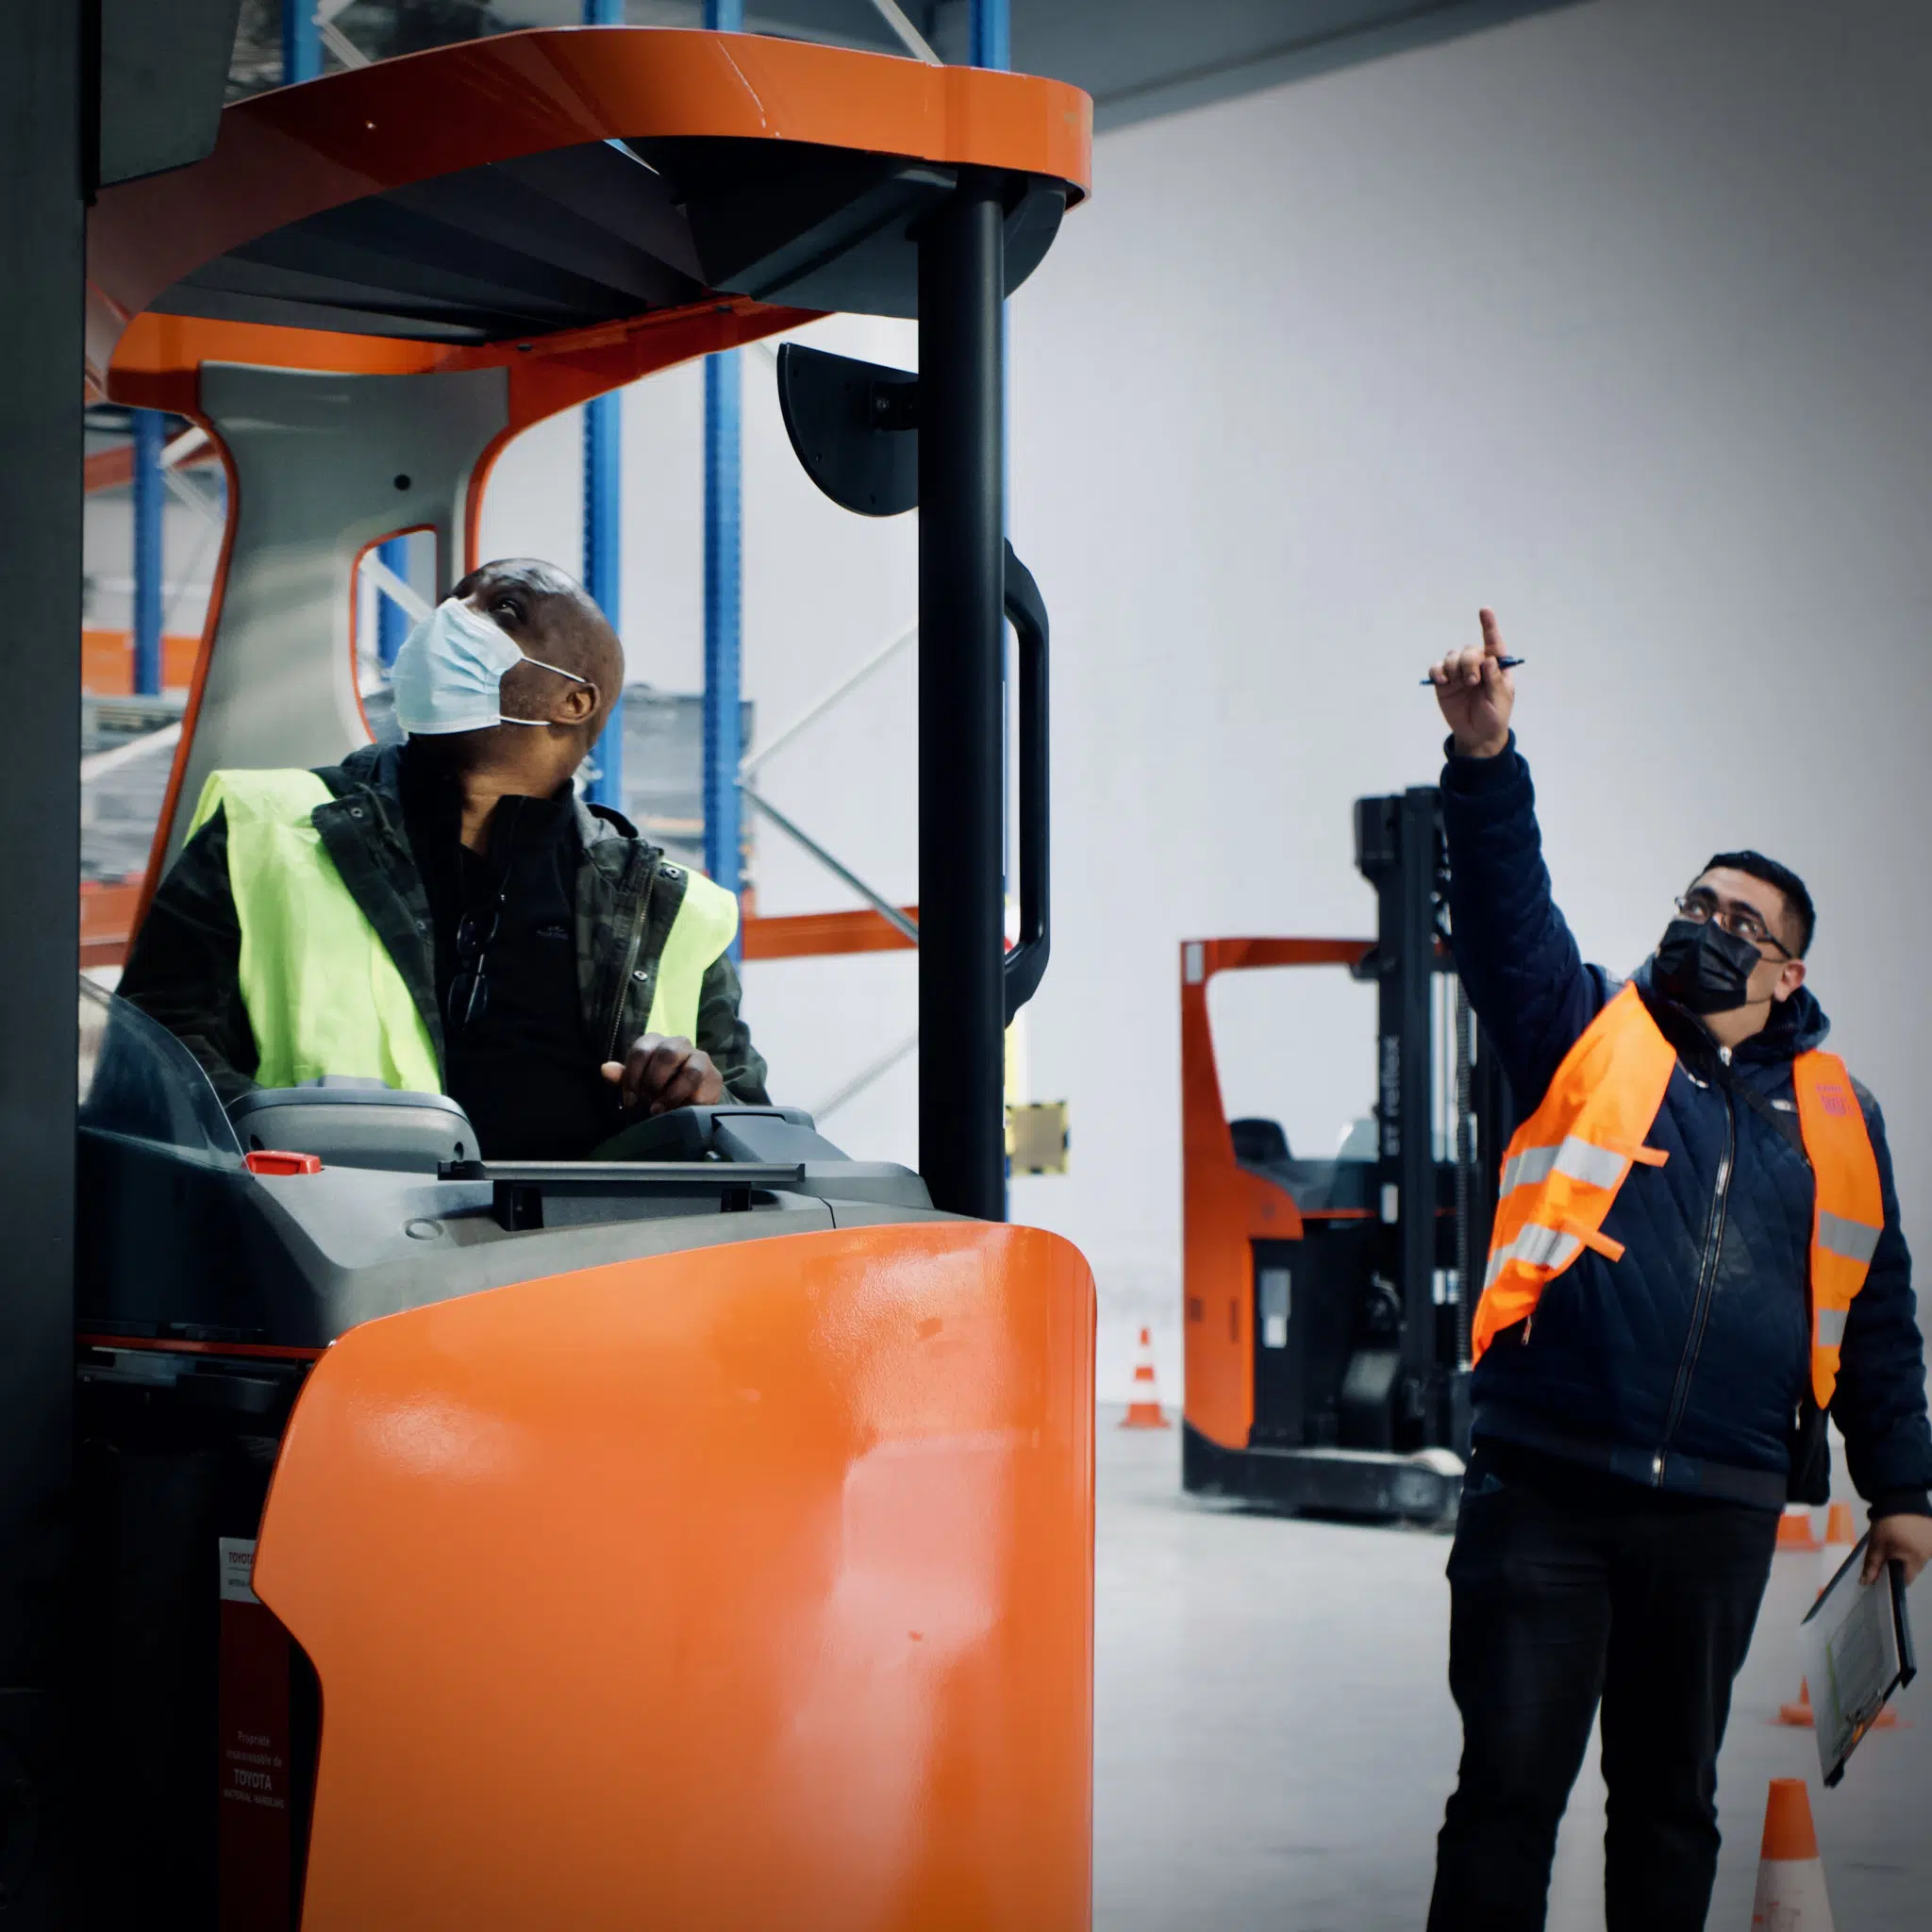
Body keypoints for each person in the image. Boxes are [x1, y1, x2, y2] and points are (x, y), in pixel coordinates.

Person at [1423, 610, 1932, 1932]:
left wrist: (1902, 1487)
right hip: (1545, 1487)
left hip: (1715, 1512)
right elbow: (1504, 918)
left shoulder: (1836, 1116)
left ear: (1786, 968)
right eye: (1695, 903)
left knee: (1667, 1806)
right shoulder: (1586, 1027)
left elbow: (1876, 1313)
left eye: (1737, 918)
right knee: (1505, 1798)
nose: (1705, 924)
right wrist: (1484, 763)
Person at [122, 558, 767, 1158]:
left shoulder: (669, 906)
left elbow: (754, 1128)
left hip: (598, 1239)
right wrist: (287, 1144)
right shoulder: (265, 824)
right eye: (456, 599)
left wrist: (701, 1101)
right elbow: (155, 1050)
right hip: (338, 1230)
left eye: (504, 609)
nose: (452, 618)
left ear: (575, 701)